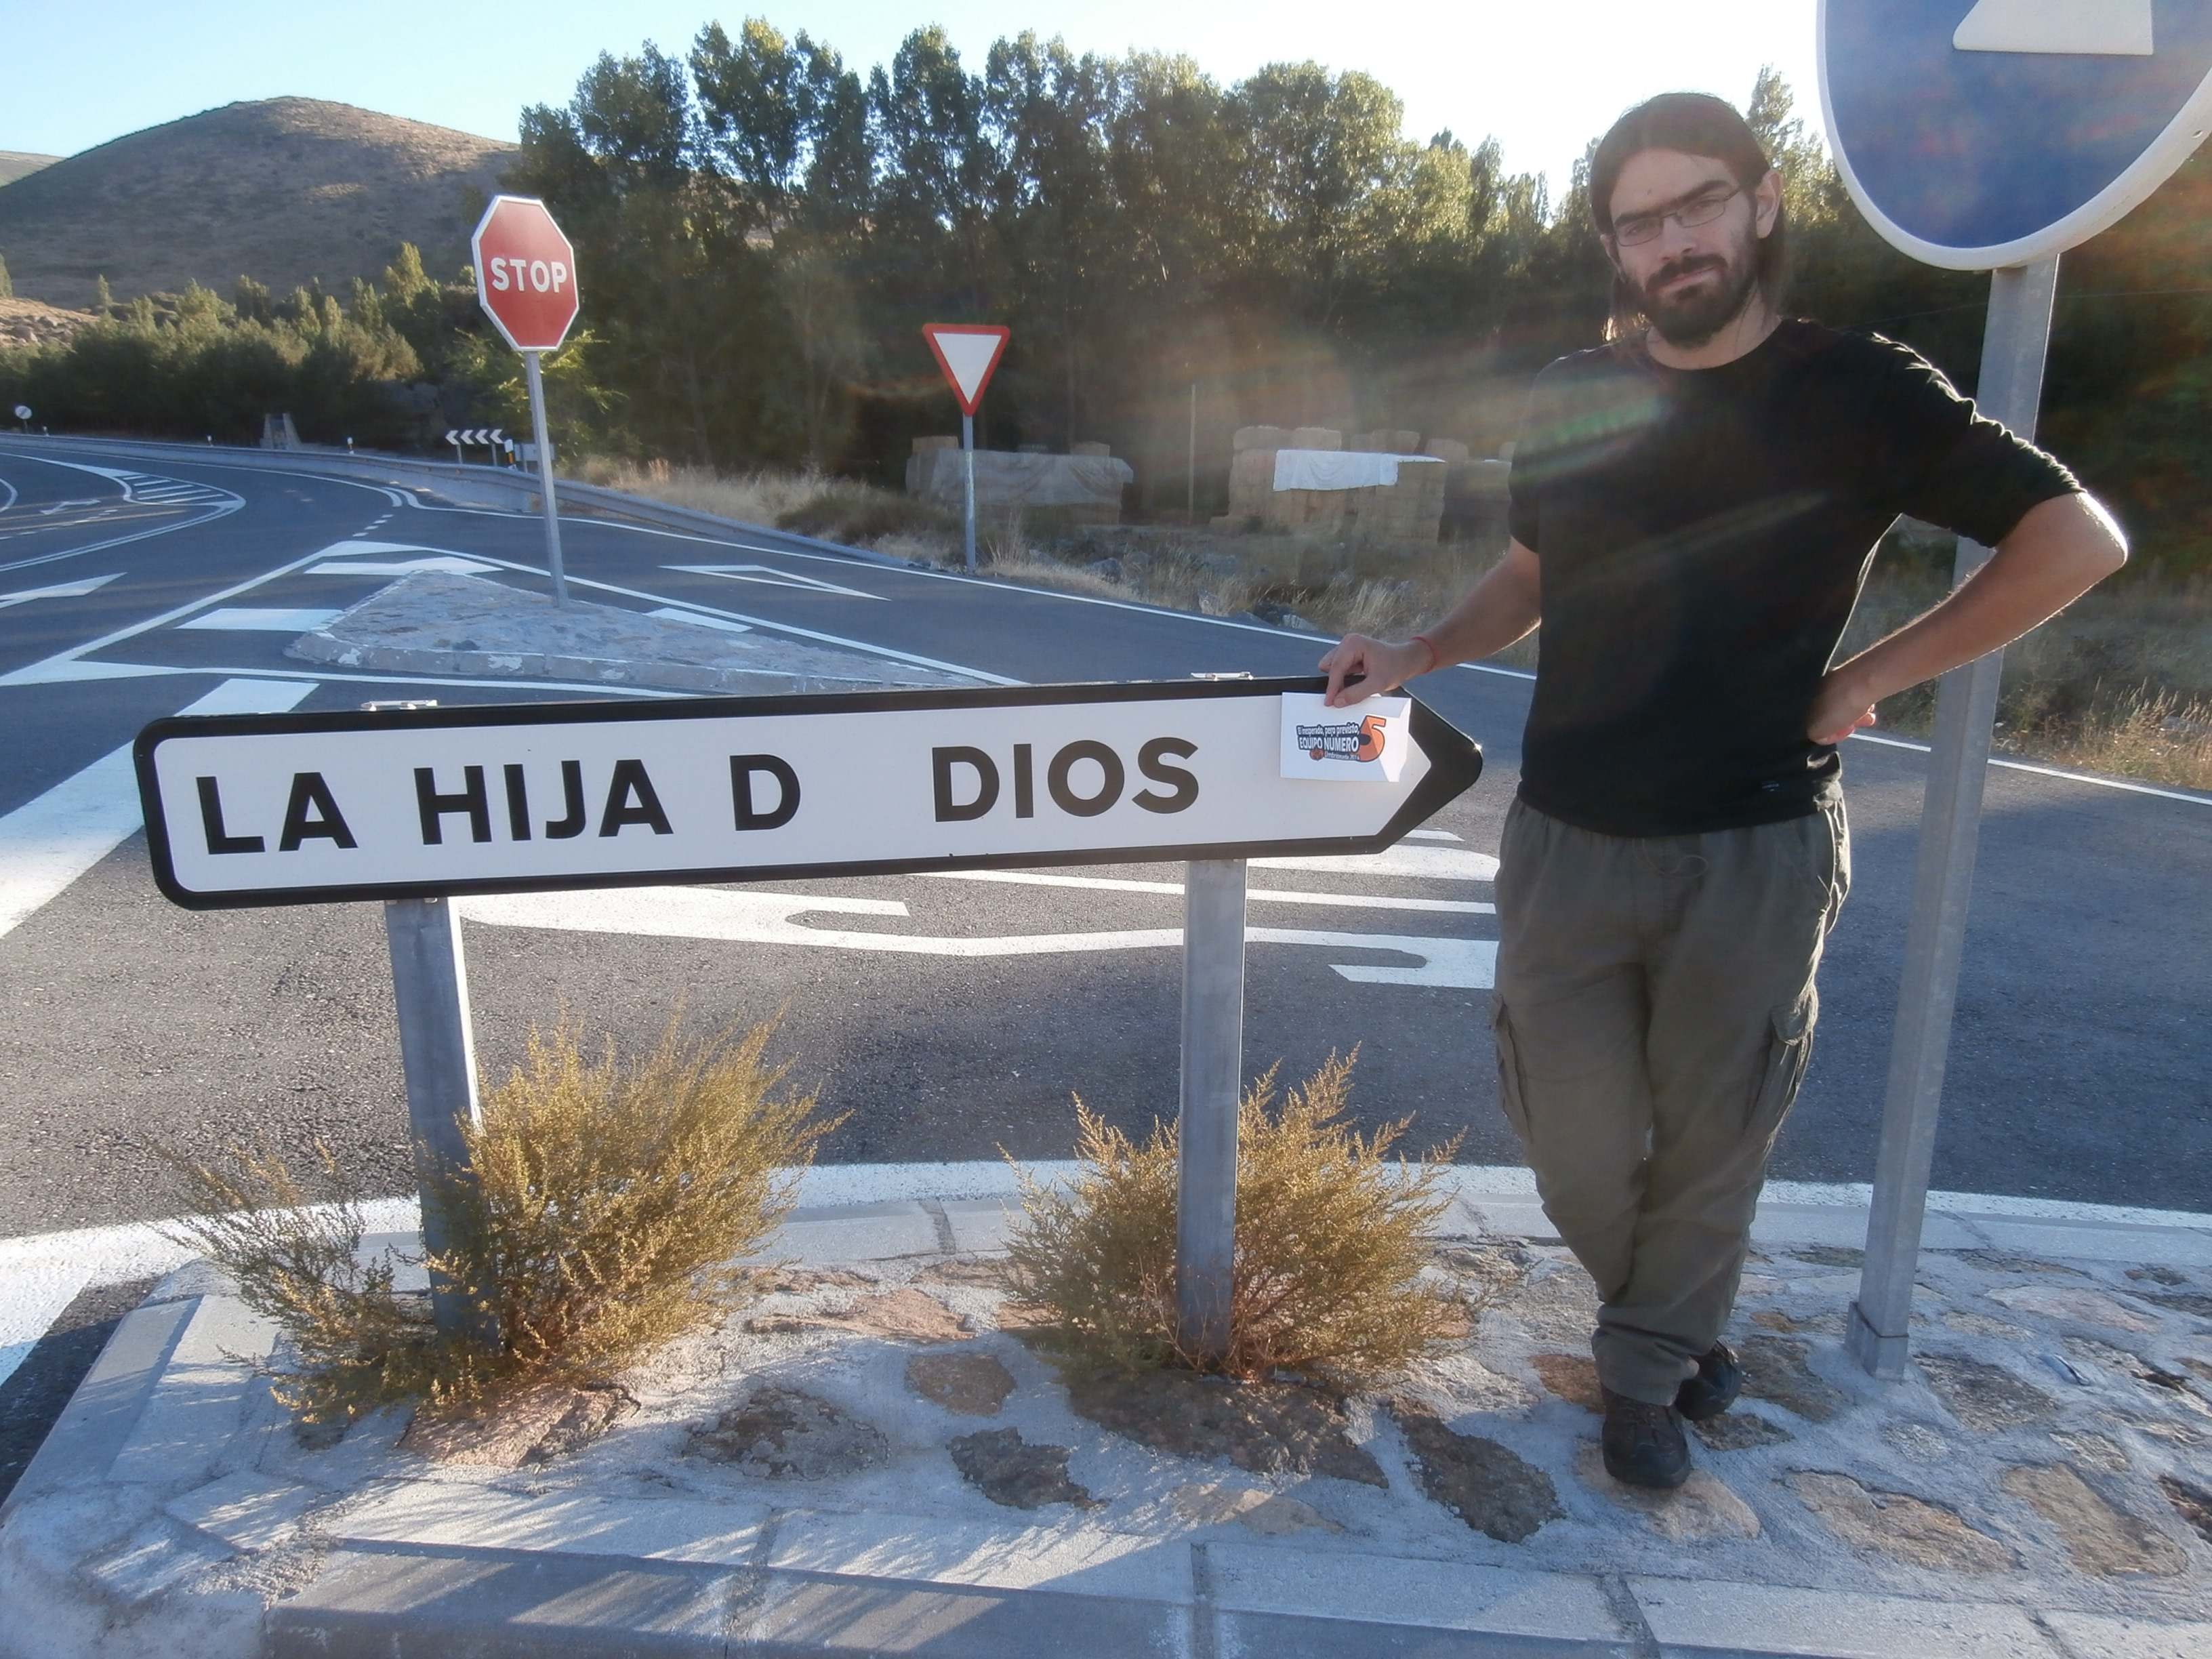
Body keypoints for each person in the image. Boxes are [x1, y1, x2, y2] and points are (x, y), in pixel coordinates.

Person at [1318, 92, 2126, 1490]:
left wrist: (1875, 673)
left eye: (1698, 204)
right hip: (1569, 834)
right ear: (1615, 251)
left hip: (1755, 841)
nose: (1673, 241)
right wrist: (1424, 646)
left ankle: (1644, 1375)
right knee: (1571, 1143)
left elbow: (2076, 536)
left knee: (1714, 1129)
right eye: (1641, 222)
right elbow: (1532, 571)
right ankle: (1681, 1327)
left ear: (1761, 204)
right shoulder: (1576, 390)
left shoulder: (1858, 387)